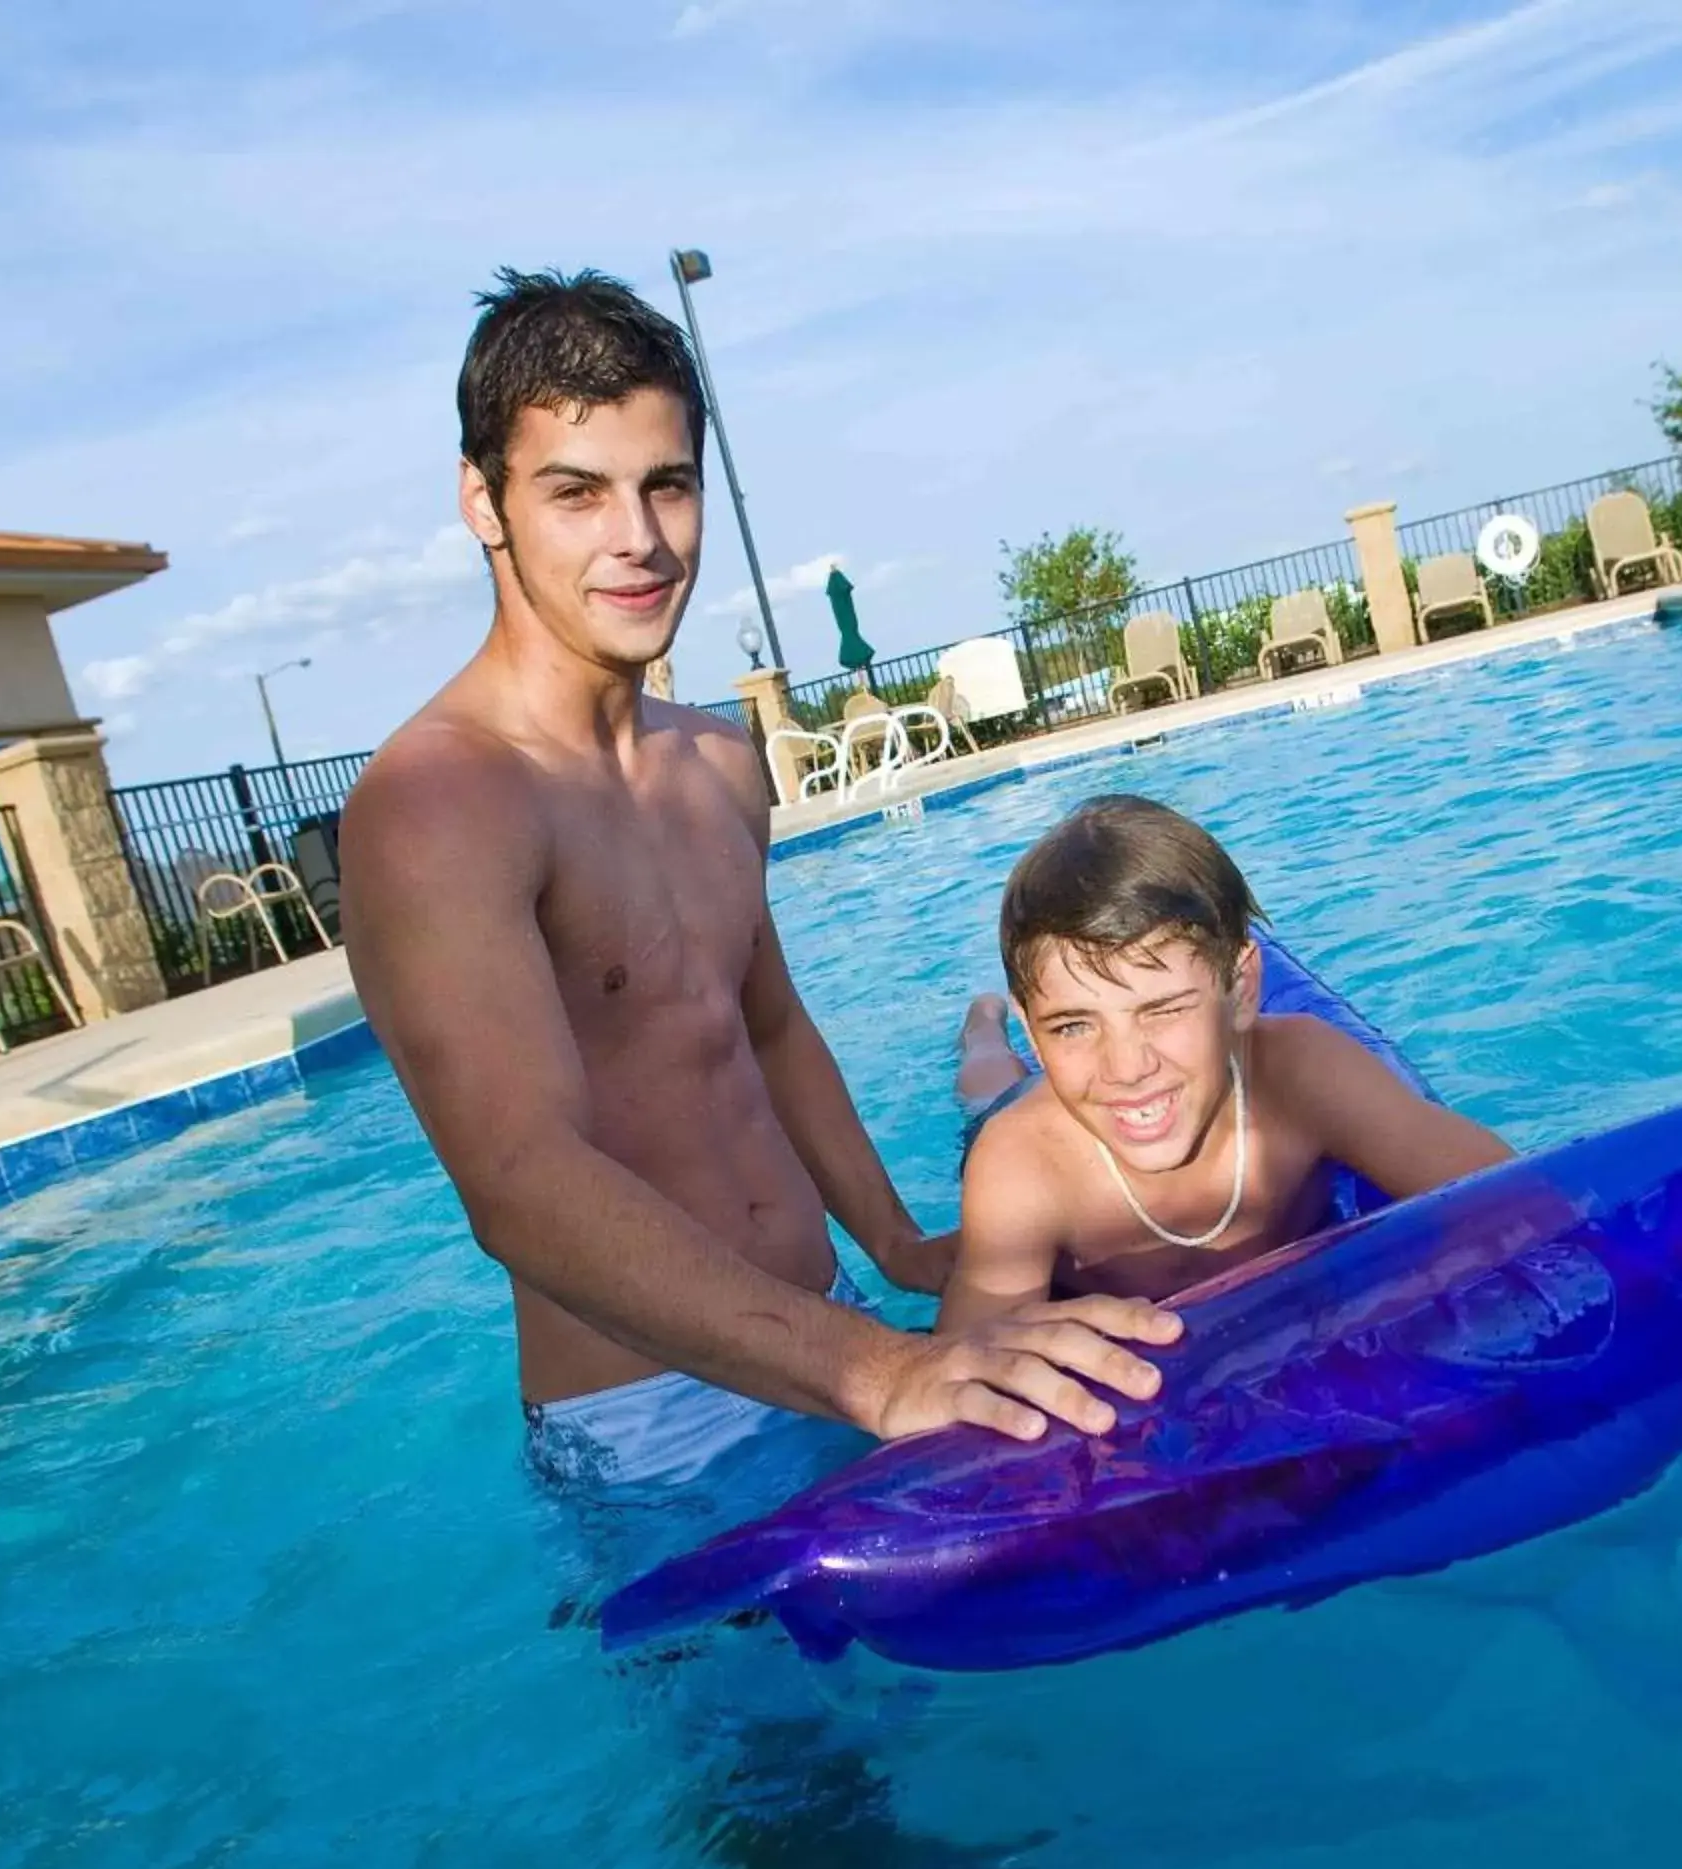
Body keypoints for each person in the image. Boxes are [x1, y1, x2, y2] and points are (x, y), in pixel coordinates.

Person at [343, 269, 1181, 1498]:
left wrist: (895, 1247)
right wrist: (876, 1372)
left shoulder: (718, 762)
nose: (638, 537)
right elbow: (519, 1182)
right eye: (576, 493)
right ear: (484, 502)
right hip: (649, 1418)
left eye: (666, 483)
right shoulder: (444, 802)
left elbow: (768, 1028)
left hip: (830, 1321)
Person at [941, 794, 1517, 1328]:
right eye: (1072, 1024)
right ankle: (986, 1026)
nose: (1126, 1065)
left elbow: (1519, 1195)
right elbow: (968, 1379)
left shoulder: (1303, 1072)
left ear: (1241, 989)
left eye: (1162, 1010)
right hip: (1037, 1109)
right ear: (1035, 1031)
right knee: (991, 1084)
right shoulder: (1023, 1165)